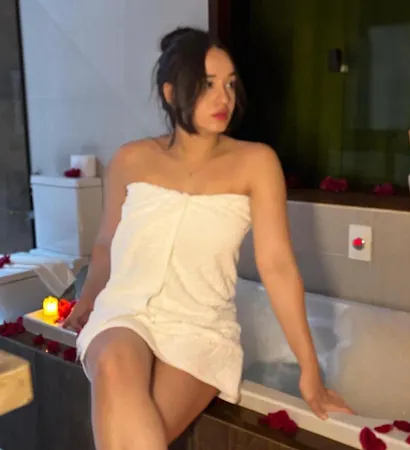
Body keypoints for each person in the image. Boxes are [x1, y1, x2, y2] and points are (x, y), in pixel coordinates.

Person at [63, 26, 352, 450]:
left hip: (199, 326)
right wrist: (88, 300)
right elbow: (106, 242)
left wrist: (310, 369)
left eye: (230, 84)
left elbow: (277, 266)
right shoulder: (131, 159)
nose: (223, 98)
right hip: (125, 311)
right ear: (170, 92)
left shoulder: (256, 163)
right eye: (207, 85)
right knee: (115, 363)